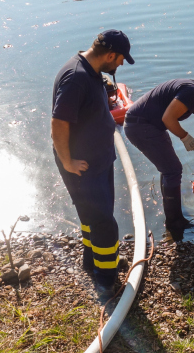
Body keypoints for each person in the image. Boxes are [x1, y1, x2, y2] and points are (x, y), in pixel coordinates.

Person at [51, 29, 134, 298]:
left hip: (97, 162)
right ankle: (106, 280)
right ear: (110, 55)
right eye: (121, 59)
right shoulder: (76, 77)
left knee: (91, 217)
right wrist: (67, 161)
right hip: (82, 166)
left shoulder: (91, 70)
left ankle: (94, 261)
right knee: (103, 223)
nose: (120, 64)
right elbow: (58, 122)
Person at [124, 72, 194, 237]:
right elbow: (168, 118)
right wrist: (185, 137)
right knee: (173, 170)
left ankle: (173, 218)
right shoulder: (191, 91)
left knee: (169, 169)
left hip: (150, 125)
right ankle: (174, 222)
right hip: (140, 126)